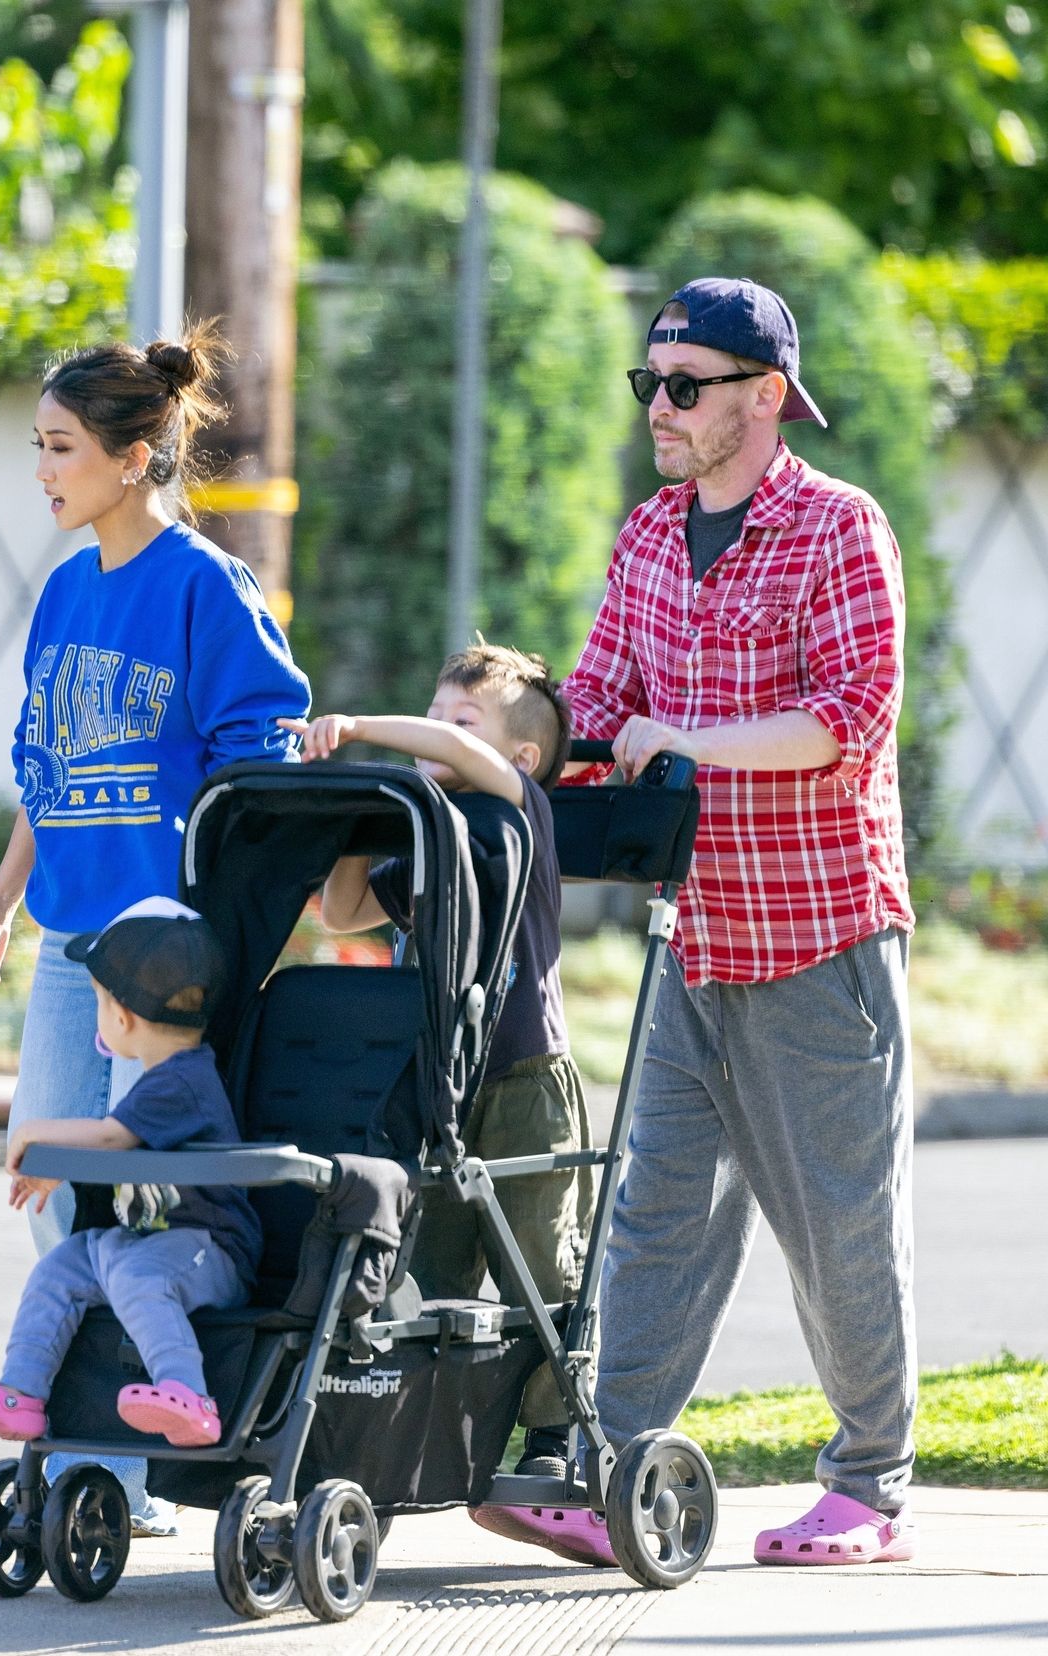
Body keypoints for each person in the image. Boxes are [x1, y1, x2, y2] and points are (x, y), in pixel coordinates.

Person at [496, 275, 918, 1570]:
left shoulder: (839, 530)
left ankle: (871, 1489)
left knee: (837, 1227)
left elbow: (849, 722)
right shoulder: (645, 535)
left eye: (683, 386)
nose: (659, 408)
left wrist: (689, 739)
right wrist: (478, 746)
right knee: (656, 1214)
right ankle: (608, 1464)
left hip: (823, 937)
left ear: (765, 397)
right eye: (649, 384)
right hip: (698, 939)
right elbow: (594, 705)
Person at [0, 323, 308, 1531]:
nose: (44, 470)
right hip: (69, 946)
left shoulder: (207, 588)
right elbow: (43, 782)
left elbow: (261, 772)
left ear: (134, 453)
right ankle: (103, 1428)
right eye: (40, 448)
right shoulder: (63, 591)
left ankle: (128, 1455)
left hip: (159, 961)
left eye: (59, 447)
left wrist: (201, 941)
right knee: (51, 1174)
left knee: (137, 1196)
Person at [280, 642, 595, 1490]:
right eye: (434, 714)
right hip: (441, 1085)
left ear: (517, 757)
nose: (436, 735)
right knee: (431, 1268)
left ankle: (555, 1433)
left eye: (459, 720)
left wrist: (358, 730)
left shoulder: (515, 813)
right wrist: (360, 823)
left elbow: (459, 759)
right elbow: (343, 911)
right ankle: (428, 1433)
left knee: (540, 1263)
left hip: (527, 1078)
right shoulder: (427, 840)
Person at [0, 899, 261, 1451]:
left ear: (123, 1017)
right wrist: (59, 1169)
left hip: (211, 1255)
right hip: (145, 1242)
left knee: (137, 1276)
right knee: (60, 1269)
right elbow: (115, 1144)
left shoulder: (182, 1081)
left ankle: (188, 1394)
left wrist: (35, 1136)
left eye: (99, 1003)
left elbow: (110, 1137)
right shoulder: (166, 1079)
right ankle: (22, 1395)